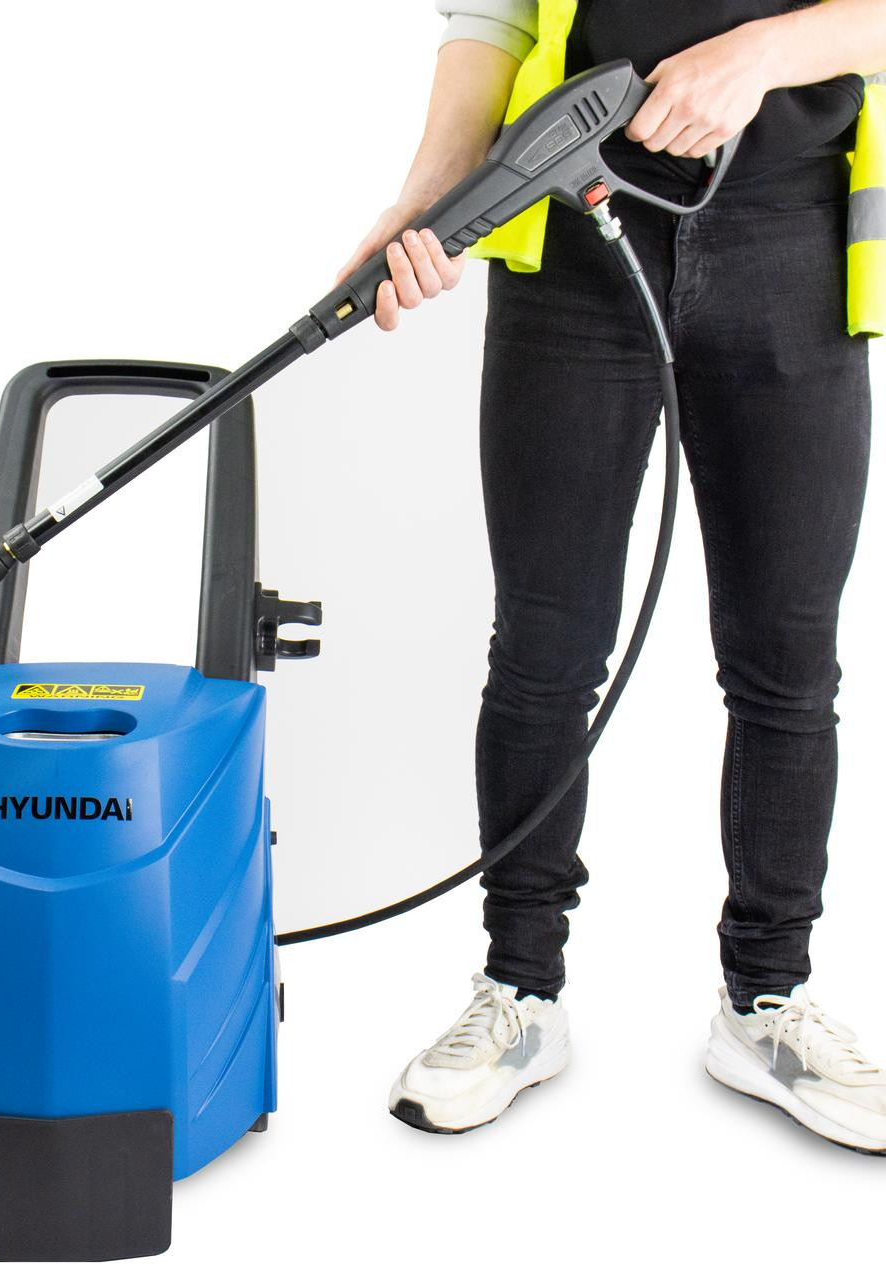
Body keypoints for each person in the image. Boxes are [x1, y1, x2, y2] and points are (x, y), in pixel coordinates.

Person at [341, 0, 886, 1154]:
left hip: (793, 242)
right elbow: (492, 12)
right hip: (571, 236)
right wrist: (426, 200)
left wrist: (760, 54)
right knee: (541, 652)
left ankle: (766, 1001)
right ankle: (517, 991)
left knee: (786, 663)